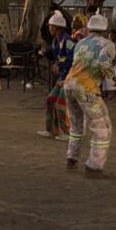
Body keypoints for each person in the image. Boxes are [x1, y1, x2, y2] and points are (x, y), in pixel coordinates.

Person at [63, 14, 116, 177]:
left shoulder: (81, 43)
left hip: (70, 85)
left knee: (76, 124)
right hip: (87, 89)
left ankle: (71, 158)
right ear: (105, 29)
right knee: (103, 127)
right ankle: (94, 165)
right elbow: (103, 62)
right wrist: (114, 78)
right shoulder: (107, 44)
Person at [39, 11, 74, 140]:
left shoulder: (68, 40)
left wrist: (59, 64)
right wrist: (45, 53)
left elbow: (71, 58)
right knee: (50, 100)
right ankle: (52, 130)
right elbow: (55, 55)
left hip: (70, 77)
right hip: (62, 77)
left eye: (51, 26)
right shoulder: (55, 41)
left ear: (57, 27)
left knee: (60, 104)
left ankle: (67, 133)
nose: (49, 28)